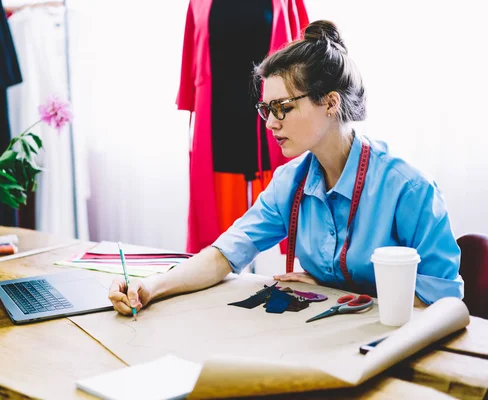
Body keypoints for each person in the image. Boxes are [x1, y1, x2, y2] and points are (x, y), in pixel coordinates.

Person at [108, 20, 463, 316]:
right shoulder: (290, 182)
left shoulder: (408, 189)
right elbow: (223, 255)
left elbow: (442, 303)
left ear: (330, 103)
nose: (270, 124)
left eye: (283, 107)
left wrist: (338, 295)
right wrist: (149, 287)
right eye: (266, 109)